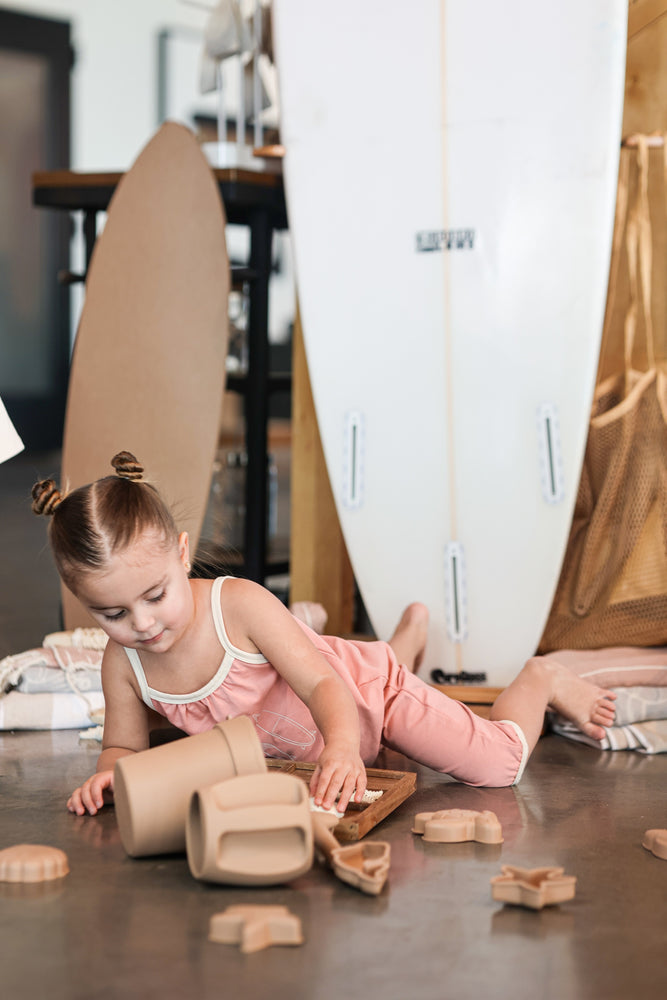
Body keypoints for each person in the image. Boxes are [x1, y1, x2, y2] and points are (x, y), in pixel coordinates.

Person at [32, 452, 617, 818]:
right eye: (111, 614)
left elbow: (324, 683)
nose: (141, 625)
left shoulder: (238, 605)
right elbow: (125, 747)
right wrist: (111, 775)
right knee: (378, 763)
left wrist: (341, 745)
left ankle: (541, 679)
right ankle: (404, 643)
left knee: (498, 767)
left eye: (156, 595)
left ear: (183, 555)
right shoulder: (122, 662)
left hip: (364, 697)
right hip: (309, 756)